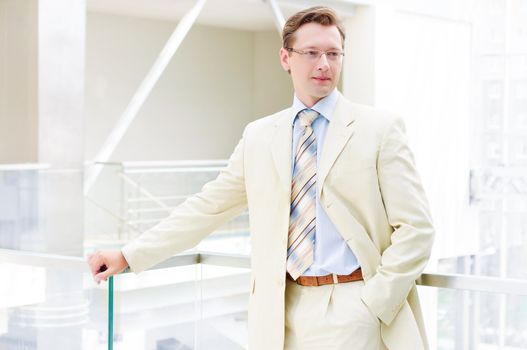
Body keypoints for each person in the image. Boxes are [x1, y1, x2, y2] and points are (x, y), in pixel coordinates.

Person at [88, 6, 434, 350]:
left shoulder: (379, 129)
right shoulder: (259, 136)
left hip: (352, 308)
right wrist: (130, 255)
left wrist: (373, 302)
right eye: (312, 53)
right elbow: (207, 208)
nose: (324, 64)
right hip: (278, 315)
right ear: (286, 58)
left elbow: (417, 229)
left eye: (333, 53)